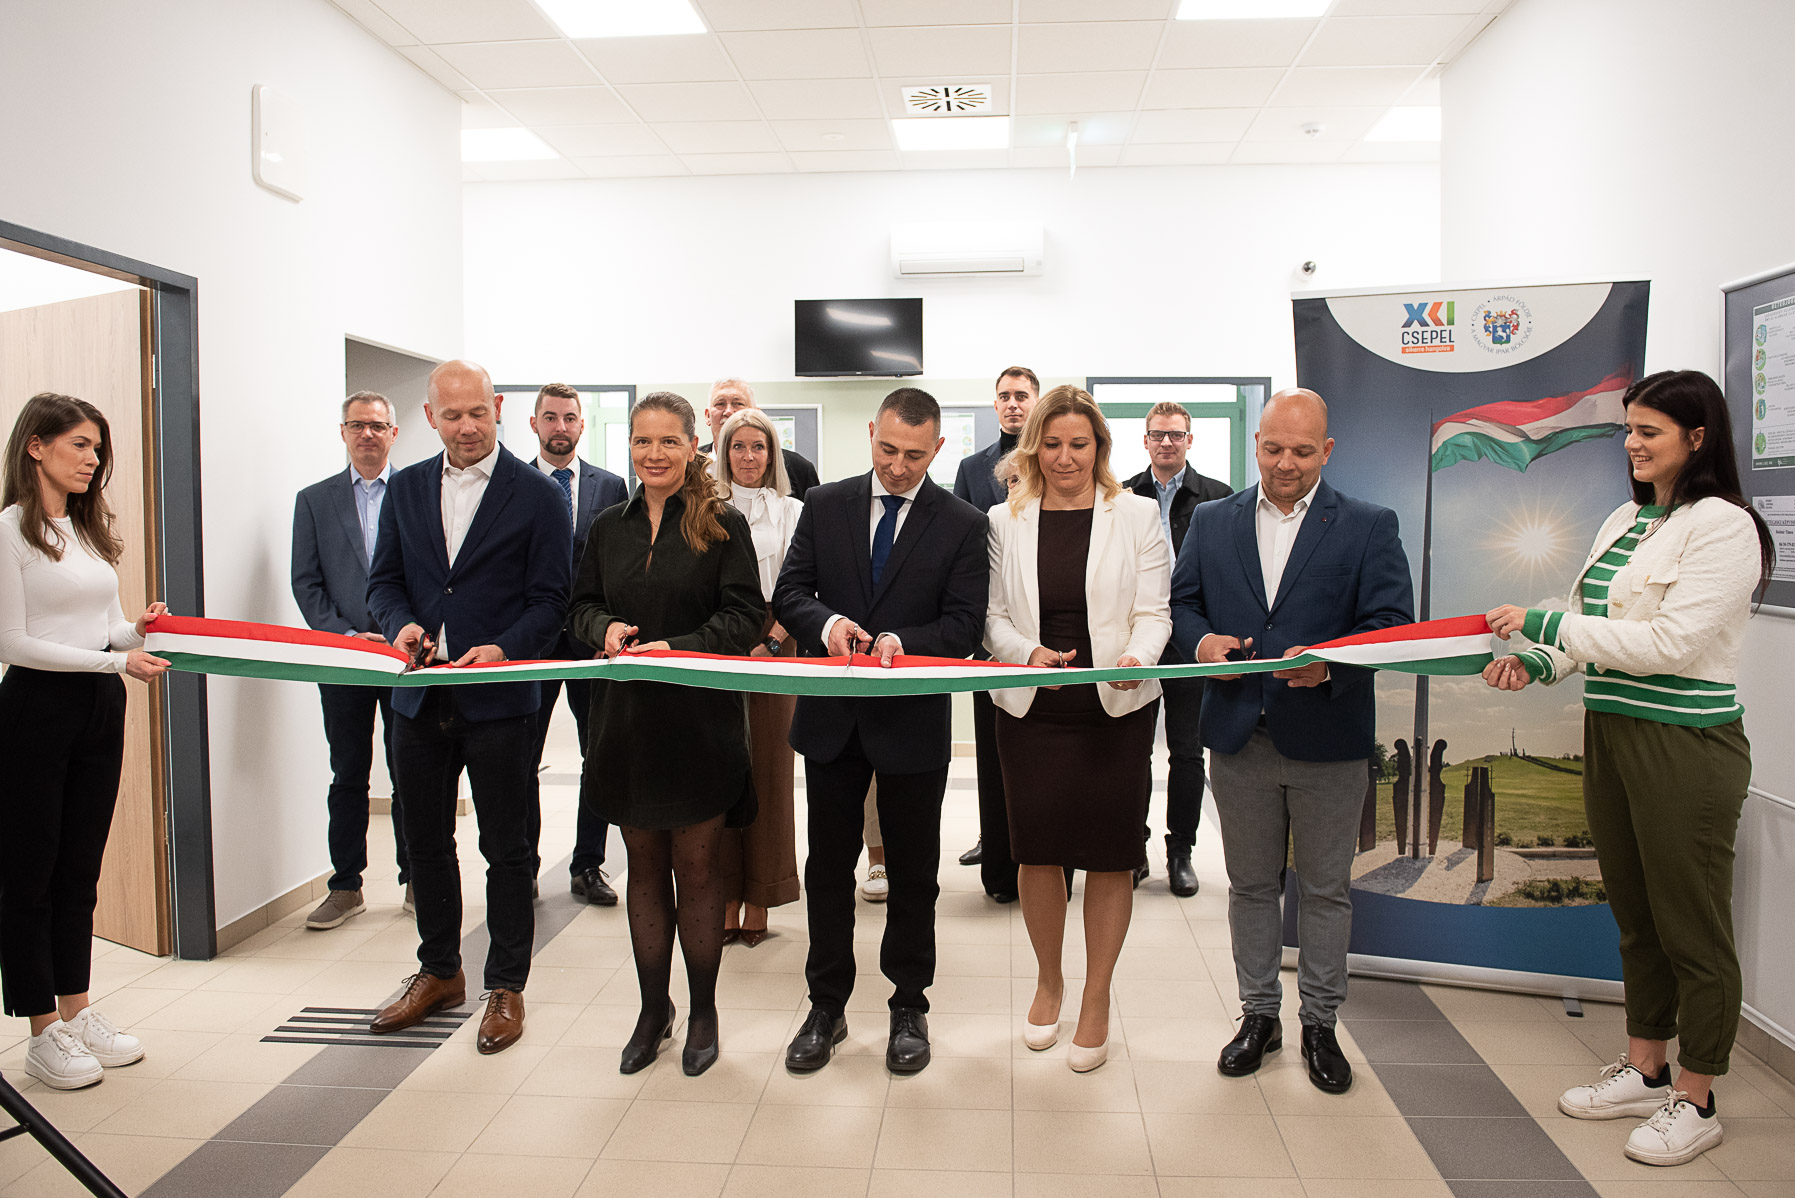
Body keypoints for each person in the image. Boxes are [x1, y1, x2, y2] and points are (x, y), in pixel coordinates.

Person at [1482, 370, 1770, 1168]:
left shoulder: (1725, 527)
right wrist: (1538, 661)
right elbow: (1595, 632)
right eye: (1628, 430)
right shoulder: (1625, 519)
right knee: (1637, 918)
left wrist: (1544, 622)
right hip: (1610, 734)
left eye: (1648, 431)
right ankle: (1646, 1069)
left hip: (1685, 746)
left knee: (1691, 926)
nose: (1631, 445)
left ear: (1696, 438)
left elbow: (1668, 646)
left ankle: (1697, 1097)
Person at [1170, 387, 1413, 1095]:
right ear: (1256, 443)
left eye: (1302, 452)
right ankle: (1258, 1015)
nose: (1285, 463)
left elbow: (1391, 623)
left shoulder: (1368, 524)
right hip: (1238, 736)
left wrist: (1331, 663)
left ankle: (1319, 1024)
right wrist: (1202, 644)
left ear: (1326, 451)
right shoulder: (1212, 520)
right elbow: (1182, 604)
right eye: (1273, 448)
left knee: (1325, 891)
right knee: (1250, 886)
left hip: (1328, 739)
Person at [773, 387, 989, 1076]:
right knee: (827, 869)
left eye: (914, 456)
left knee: (915, 873)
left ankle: (908, 1005)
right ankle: (825, 1006)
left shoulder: (961, 522)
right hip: (833, 720)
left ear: (938, 448)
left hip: (911, 722)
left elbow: (964, 625)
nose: (897, 467)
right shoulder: (825, 503)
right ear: (871, 432)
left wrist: (904, 641)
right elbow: (790, 593)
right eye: (888, 450)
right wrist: (829, 624)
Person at [365, 360, 571, 1056]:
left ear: (498, 407)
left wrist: (505, 648)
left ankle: (506, 984)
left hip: (500, 701)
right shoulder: (406, 489)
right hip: (420, 698)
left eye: (477, 412)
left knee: (506, 849)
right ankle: (439, 971)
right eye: (451, 415)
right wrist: (400, 624)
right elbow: (384, 582)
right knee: (424, 842)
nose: (466, 427)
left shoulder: (538, 495)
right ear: (429, 417)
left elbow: (552, 600)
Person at [568, 392, 764, 1076]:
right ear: (629, 445)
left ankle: (704, 1010)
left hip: (700, 724)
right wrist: (604, 630)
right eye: (642, 441)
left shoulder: (722, 524)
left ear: (692, 447)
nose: (654, 454)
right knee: (645, 869)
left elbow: (744, 618)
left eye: (668, 441)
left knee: (699, 871)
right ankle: (655, 1010)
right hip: (626, 725)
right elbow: (580, 606)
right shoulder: (607, 527)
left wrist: (677, 648)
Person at [984, 386, 1172, 1073]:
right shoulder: (1004, 519)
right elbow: (992, 617)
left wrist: (1137, 658)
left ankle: (1096, 996)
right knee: (1037, 851)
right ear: (1034, 447)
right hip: (1033, 709)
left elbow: (1155, 611)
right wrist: (1026, 652)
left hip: (1114, 710)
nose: (1065, 458)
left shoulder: (1138, 514)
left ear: (1100, 448)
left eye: (1079, 444)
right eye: (1053, 444)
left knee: (1109, 854)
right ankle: (1048, 981)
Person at [0, 392, 168, 1090]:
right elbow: (12, 643)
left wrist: (139, 630)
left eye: (98, 448)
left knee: (79, 869)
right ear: (35, 446)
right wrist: (114, 661)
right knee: (30, 873)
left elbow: (105, 630)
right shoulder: (10, 531)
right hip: (35, 709)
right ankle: (41, 1029)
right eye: (79, 444)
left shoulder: (87, 530)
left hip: (99, 705)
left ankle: (77, 1009)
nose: (93, 459)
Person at [291, 391, 411, 929]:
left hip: (406, 659)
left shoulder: (416, 492)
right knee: (348, 773)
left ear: (393, 433)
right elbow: (306, 582)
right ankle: (346, 885)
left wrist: (404, 633)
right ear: (343, 432)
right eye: (357, 425)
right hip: (343, 660)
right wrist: (345, 636)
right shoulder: (314, 501)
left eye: (377, 426)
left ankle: (416, 878)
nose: (367, 434)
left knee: (411, 770)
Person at [524, 382, 628, 907]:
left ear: (582, 425)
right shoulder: (515, 485)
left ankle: (588, 864)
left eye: (569, 418)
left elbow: (621, 564)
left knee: (598, 757)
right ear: (534, 423)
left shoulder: (611, 487)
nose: (560, 427)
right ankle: (523, 866)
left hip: (591, 644)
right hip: (532, 645)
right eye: (550, 417)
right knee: (523, 759)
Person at [1123, 400, 1232, 897]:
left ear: (1190, 440)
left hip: (1191, 638)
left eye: (1176, 434)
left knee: (1187, 751)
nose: (1166, 442)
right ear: (1145, 440)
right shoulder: (1122, 495)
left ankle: (1180, 851)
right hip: (1137, 638)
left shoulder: (1218, 498)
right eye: (1158, 434)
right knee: (1133, 750)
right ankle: (1134, 847)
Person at [712, 406, 804, 945]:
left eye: (758, 446)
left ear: (772, 455)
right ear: (723, 452)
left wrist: (771, 640)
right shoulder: (704, 508)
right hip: (720, 639)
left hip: (775, 639)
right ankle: (724, 893)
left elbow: (801, 585)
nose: (748, 457)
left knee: (769, 770)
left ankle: (762, 896)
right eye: (738, 446)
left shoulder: (792, 511)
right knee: (722, 769)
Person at [952, 366, 1039, 891]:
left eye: (1021, 395)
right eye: (1004, 396)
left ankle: (1040, 848)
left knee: (1038, 746)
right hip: (988, 618)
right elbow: (964, 544)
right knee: (992, 745)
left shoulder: (1054, 458)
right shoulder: (971, 467)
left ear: (1036, 401)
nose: (1012, 404)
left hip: (1044, 623)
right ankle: (995, 845)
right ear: (995, 404)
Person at [701, 378, 820, 500]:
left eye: (738, 404)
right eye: (720, 404)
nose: (728, 411)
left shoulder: (799, 470)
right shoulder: (693, 467)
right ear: (707, 416)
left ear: (756, 414)